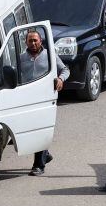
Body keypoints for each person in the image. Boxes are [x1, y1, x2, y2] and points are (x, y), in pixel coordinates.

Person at [18, 29, 69, 176]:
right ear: (25, 42)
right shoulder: (21, 58)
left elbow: (65, 70)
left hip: (45, 98)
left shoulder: (50, 55)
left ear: (41, 41)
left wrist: (60, 79)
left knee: (40, 129)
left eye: (35, 40)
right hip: (27, 99)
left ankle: (38, 165)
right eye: (30, 41)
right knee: (31, 130)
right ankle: (45, 155)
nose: (33, 43)